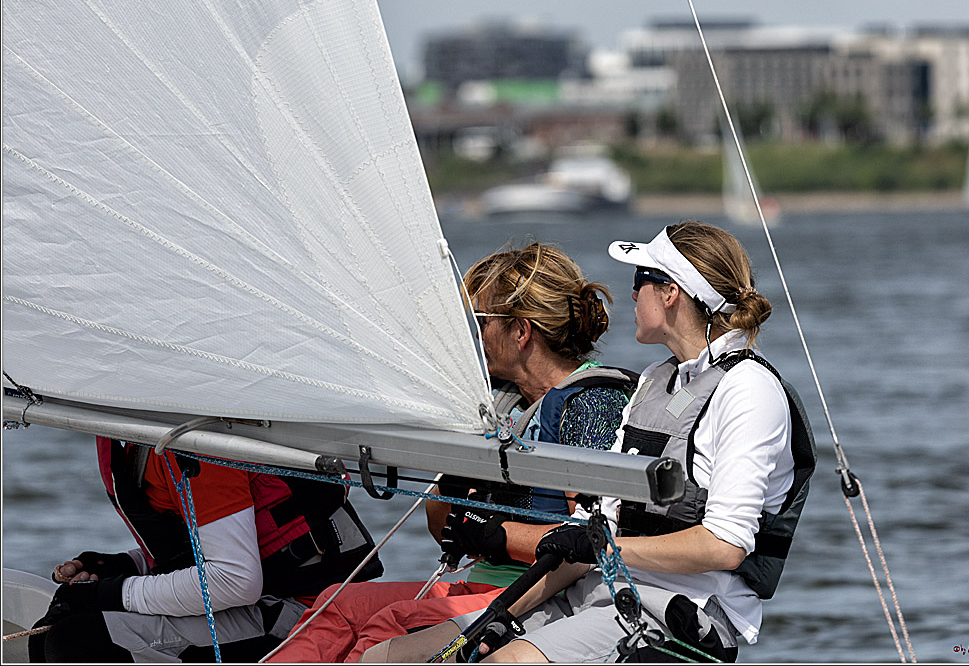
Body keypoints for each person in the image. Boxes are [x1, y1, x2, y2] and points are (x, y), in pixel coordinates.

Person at [364, 220, 816, 663]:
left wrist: (602, 547)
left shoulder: (748, 390)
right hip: (595, 589)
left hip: (678, 611)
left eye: (642, 281)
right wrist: (503, 612)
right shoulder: (656, 382)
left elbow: (724, 545)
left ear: (671, 292)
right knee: (393, 655)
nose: (633, 294)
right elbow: (587, 536)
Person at [264, 241, 638, 663]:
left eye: (481, 322)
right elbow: (439, 524)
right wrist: (457, 495)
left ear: (520, 331)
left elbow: (591, 543)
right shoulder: (498, 405)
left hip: (536, 594)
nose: (472, 337)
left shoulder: (592, 403)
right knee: (336, 603)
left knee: (389, 625)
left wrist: (494, 532)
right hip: (478, 579)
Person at [29, 438, 384, 662]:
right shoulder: (132, 434)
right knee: (48, 631)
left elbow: (234, 580)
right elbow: (207, 547)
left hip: (307, 610)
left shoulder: (201, 441)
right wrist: (125, 566)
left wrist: (112, 593)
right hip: (256, 596)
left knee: (76, 641)